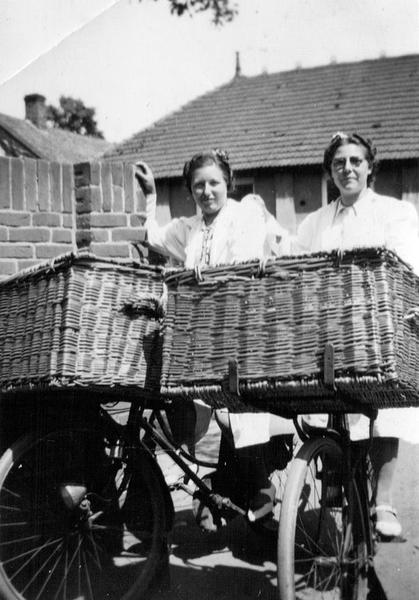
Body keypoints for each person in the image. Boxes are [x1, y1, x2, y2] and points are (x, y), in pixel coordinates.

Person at [135, 149, 295, 526]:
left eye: (214, 183)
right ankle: (203, 486)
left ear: (228, 184)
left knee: (238, 409)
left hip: (240, 324)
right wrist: (151, 196)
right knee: (184, 408)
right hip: (201, 333)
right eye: (198, 186)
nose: (206, 192)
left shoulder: (244, 215)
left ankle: (260, 484)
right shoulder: (188, 228)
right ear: (191, 191)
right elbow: (153, 236)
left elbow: (247, 260)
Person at [294, 132, 419, 538]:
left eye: (355, 161)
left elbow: (407, 265)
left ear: (369, 167)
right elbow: (296, 269)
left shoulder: (395, 212)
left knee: (385, 402)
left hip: (378, 325)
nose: (347, 169)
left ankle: (383, 500)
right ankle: (335, 473)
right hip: (328, 327)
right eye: (339, 163)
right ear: (329, 172)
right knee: (323, 397)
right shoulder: (313, 222)